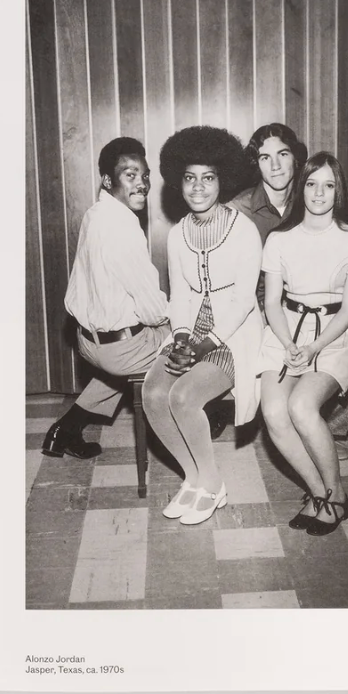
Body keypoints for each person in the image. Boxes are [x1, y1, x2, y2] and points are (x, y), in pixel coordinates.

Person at [142, 126, 262, 525]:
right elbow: (178, 295)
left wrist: (204, 345)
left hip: (232, 336)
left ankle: (212, 483)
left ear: (221, 180)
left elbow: (244, 300)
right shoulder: (178, 234)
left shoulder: (243, 230)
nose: (198, 187)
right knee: (153, 392)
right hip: (190, 332)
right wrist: (180, 338)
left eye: (208, 178)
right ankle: (193, 478)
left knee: (183, 397)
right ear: (179, 183)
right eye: (190, 178)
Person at [256, 152, 348, 536]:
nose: (319, 193)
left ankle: (335, 494)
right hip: (285, 330)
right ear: (301, 188)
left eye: (328, 185)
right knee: (274, 412)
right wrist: (288, 342)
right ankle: (319, 491)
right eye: (311, 183)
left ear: (339, 191)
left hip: (333, 335)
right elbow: (272, 302)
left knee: (302, 407)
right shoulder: (279, 239)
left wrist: (313, 347)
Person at [42, 138, 170, 458]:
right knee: (191, 342)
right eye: (130, 175)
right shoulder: (123, 227)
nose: (141, 184)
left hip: (88, 342)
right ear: (108, 181)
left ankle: (64, 430)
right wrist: (175, 317)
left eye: (144, 175)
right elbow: (152, 310)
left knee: (129, 355)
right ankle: (199, 421)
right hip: (118, 351)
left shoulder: (95, 214)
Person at [230, 123, 305, 244]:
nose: (275, 166)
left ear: (295, 158)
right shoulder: (237, 211)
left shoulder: (309, 205)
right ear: (257, 164)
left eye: (283, 154)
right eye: (265, 158)